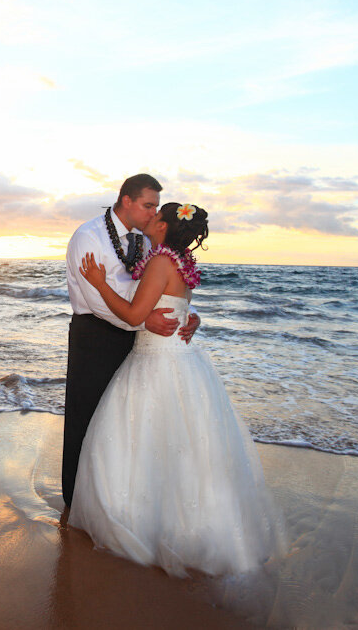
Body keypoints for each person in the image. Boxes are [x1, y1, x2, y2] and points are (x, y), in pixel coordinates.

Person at [69, 202, 286, 576]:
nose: (150, 218)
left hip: (156, 363)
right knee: (180, 449)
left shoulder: (160, 263)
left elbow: (136, 317)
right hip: (182, 361)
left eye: (156, 216)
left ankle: (145, 525)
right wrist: (193, 319)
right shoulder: (180, 262)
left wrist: (99, 282)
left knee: (147, 443)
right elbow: (180, 305)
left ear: (165, 226)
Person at [62, 174, 199, 508]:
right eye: (148, 205)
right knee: (87, 418)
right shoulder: (89, 236)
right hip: (96, 334)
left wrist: (186, 316)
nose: (153, 214)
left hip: (137, 341)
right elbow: (96, 299)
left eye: (156, 207)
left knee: (122, 421)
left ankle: (117, 496)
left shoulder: (145, 240)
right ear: (127, 201)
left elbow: (162, 289)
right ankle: (77, 499)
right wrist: (143, 320)